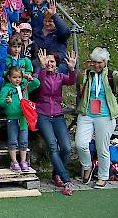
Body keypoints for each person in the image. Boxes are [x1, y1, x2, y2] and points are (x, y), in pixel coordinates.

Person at [75, 47, 118, 189]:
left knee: (102, 147)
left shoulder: (111, 75)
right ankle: (88, 167)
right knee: (80, 144)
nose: (97, 65)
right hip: (86, 113)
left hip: (105, 116)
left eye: (100, 62)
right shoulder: (88, 73)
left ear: (105, 62)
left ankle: (103, 176)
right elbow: (79, 80)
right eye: (94, 62)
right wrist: (83, 70)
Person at [35, 48, 78, 196]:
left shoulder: (60, 76)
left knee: (66, 147)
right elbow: (36, 81)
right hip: (43, 114)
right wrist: (41, 66)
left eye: (51, 61)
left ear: (56, 64)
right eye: (47, 61)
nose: (49, 63)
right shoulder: (40, 73)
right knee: (53, 146)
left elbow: (72, 81)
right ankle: (66, 180)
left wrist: (72, 69)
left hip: (58, 115)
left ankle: (56, 173)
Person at [0, 66, 40, 172]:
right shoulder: (6, 89)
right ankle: (14, 161)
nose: (17, 79)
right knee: (12, 140)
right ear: (9, 77)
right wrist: (6, 101)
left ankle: (23, 161)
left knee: (24, 141)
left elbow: (37, 84)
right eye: (14, 77)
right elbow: (1, 103)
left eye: (19, 77)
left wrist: (29, 78)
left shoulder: (24, 86)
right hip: (12, 118)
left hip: (23, 118)